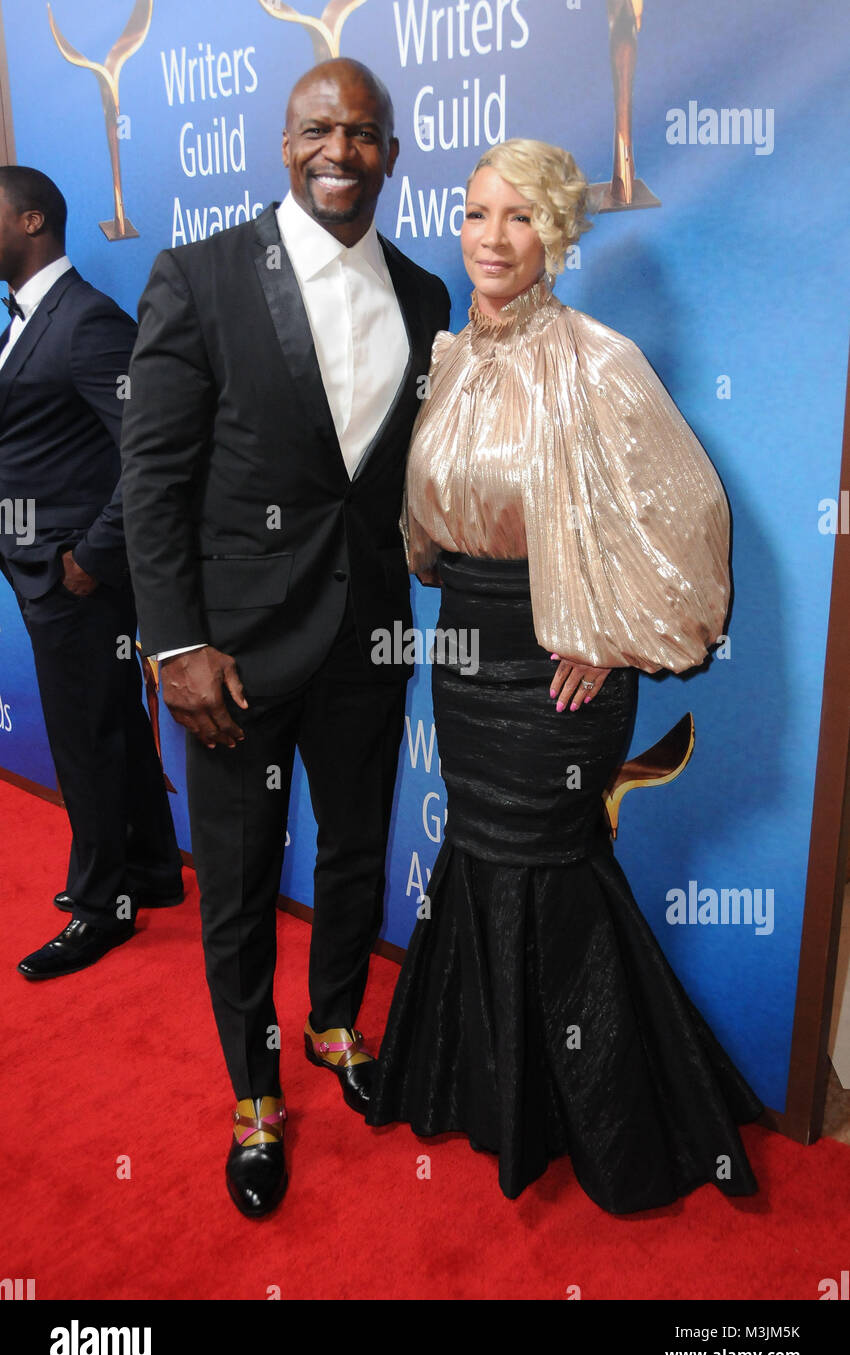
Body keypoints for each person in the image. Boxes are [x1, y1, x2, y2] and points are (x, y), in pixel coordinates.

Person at [366, 139, 763, 1214]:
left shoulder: (596, 359)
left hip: (559, 669)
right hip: (464, 652)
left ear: (556, 234)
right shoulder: (447, 358)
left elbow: (687, 514)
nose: (493, 239)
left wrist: (608, 627)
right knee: (481, 858)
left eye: (520, 218)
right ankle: (499, 1096)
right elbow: (428, 519)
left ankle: (616, 1114)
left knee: (553, 864)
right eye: (476, 214)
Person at [121, 59, 451, 1219]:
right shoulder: (199, 277)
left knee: (356, 852)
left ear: (392, 157)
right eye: (319, 129)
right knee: (244, 883)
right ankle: (254, 1096)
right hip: (233, 657)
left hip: (367, 642)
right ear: (283, 141)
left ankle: (332, 1028)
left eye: (364, 135)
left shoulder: (423, 299)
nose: (340, 151)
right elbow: (153, 478)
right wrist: (173, 646)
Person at [0, 166, 183, 983]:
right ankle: (149, 871)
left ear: (32, 220)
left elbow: (145, 457)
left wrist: (89, 559)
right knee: (108, 724)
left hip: (74, 575)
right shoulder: (28, 320)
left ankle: (101, 904)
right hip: (39, 564)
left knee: (86, 740)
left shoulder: (86, 323)